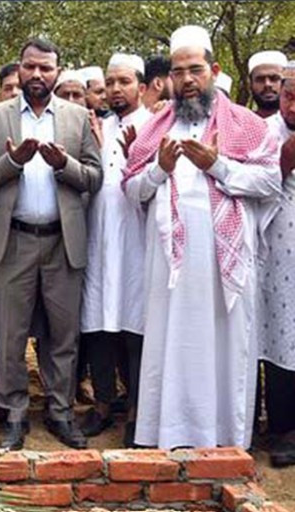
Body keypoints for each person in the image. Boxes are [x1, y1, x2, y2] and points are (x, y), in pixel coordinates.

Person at [123, 26, 281, 449]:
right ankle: (167, 434)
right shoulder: (155, 127)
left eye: (196, 70)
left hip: (223, 259)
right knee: (170, 342)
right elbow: (133, 191)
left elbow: (269, 183)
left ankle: (225, 438)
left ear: (213, 71)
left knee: (224, 344)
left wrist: (218, 165)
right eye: (179, 72)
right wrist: (159, 169)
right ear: (170, 78)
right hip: (168, 260)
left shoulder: (245, 125)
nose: (187, 79)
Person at [0, 38, 102, 451]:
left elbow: (95, 178)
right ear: (20, 70)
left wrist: (65, 165)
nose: (38, 75)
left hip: (63, 243)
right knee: (12, 335)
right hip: (15, 241)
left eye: (46, 68)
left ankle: (60, 413)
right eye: (30, 67)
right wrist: (14, 162)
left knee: (63, 337)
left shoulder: (78, 118)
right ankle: (14, 415)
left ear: (57, 72)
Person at [78, 53, 151, 447]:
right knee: (99, 325)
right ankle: (104, 405)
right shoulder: (96, 126)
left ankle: (138, 411)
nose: (116, 88)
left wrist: (141, 152)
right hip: (97, 239)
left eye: (124, 81)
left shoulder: (157, 126)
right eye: (111, 82)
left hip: (137, 243)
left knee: (135, 328)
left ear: (141, 87)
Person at [259, 61, 295, 467]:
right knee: (280, 336)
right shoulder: (265, 133)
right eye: (289, 97)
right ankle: (281, 427)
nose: (293, 106)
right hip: (277, 251)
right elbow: (250, 186)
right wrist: (285, 161)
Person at [248, 50, 287, 119]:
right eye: (260, 79)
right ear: (250, 85)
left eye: (274, 78)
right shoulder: (240, 124)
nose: (267, 84)